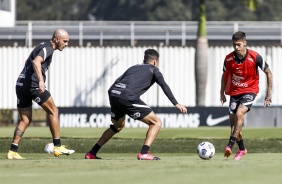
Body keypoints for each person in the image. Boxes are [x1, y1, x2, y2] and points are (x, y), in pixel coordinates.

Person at [85, 48, 187, 160]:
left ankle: (91, 153)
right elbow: (164, 85)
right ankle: (144, 153)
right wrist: (175, 103)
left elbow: (115, 84)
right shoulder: (154, 70)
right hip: (128, 97)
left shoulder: (133, 68)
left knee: (117, 126)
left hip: (114, 94)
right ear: (155, 62)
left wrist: (116, 96)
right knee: (156, 123)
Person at [7, 29, 75, 159]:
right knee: (53, 111)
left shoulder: (41, 45)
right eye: (65, 41)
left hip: (20, 84)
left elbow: (27, 61)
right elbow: (35, 62)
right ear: (56, 39)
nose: (66, 44)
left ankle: (12, 151)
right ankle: (58, 146)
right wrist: (41, 80)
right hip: (33, 86)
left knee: (25, 120)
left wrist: (28, 76)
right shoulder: (48, 48)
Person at [220, 31, 272, 160]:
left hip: (250, 90)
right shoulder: (228, 58)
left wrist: (268, 95)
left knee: (240, 114)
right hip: (234, 92)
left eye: (238, 44)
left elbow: (269, 73)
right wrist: (222, 92)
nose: (236, 47)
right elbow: (224, 76)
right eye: (234, 45)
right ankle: (242, 149)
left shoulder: (255, 57)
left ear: (245, 43)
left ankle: (230, 146)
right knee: (233, 125)